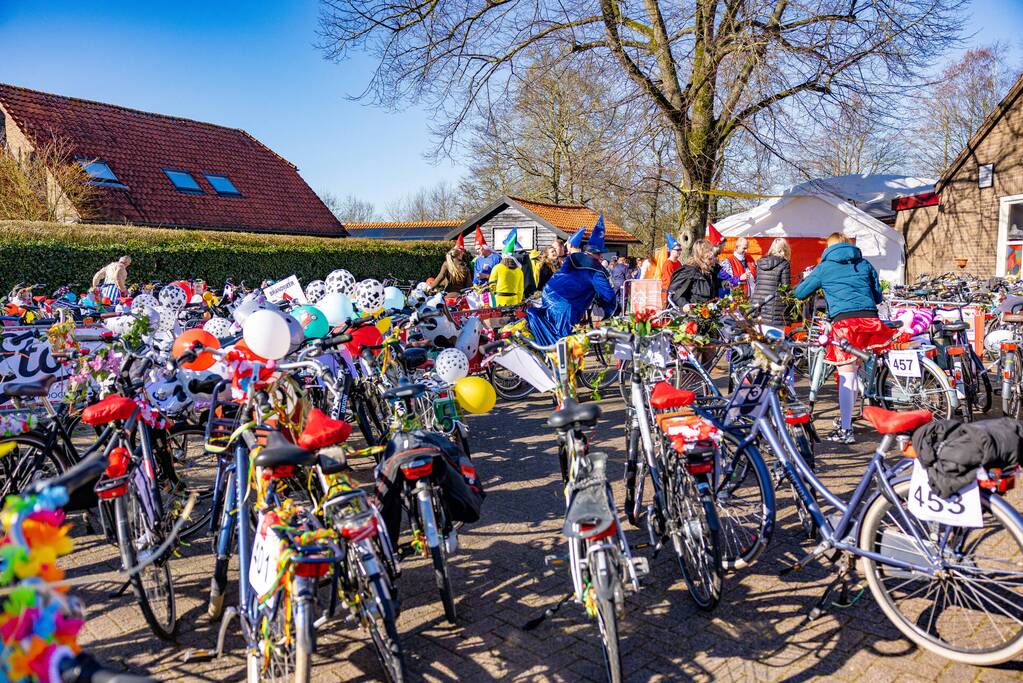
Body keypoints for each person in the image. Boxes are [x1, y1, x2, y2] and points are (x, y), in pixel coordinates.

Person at [793, 232, 892, 445]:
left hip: (845, 323)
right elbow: (877, 296)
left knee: (847, 375)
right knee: (854, 371)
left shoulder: (824, 267)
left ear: (828, 248)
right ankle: (846, 419)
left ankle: (846, 429)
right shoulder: (863, 263)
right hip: (869, 319)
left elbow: (800, 293)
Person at [527, 225, 617, 346]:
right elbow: (608, 295)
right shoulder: (596, 271)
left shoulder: (573, 258)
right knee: (562, 339)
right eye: (601, 254)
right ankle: (555, 355)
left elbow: (572, 279)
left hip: (548, 294)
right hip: (564, 303)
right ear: (598, 254)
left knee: (550, 328)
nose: (601, 257)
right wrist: (609, 312)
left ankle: (544, 350)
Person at [750, 238, 791, 337]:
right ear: (784, 249)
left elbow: (758, 282)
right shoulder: (784, 264)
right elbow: (785, 287)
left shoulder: (760, 262)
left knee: (760, 340)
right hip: (775, 308)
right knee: (776, 342)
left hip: (758, 304)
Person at [667, 239, 720, 308]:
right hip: (692, 313)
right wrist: (685, 305)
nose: (712, 254)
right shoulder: (689, 271)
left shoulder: (710, 271)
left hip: (708, 311)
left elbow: (718, 282)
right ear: (700, 255)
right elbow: (676, 294)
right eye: (707, 251)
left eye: (711, 250)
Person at [488, 233, 525, 306]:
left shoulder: (497, 267)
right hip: (514, 300)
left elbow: (492, 285)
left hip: (499, 300)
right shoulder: (519, 270)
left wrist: (493, 298)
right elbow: (520, 289)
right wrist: (519, 301)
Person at [660, 235, 683, 303]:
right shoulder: (668, 264)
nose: (679, 252)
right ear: (671, 250)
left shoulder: (678, 263)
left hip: (676, 292)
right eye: (677, 250)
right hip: (668, 293)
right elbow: (671, 280)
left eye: (680, 250)